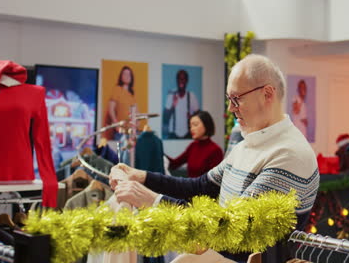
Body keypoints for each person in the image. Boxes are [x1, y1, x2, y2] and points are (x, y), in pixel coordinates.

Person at [109, 54, 319, 262]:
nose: (230, 109)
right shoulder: (247, 144)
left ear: (267, 94)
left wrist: (151, 200)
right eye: (229, 100)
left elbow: (228, 229)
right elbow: (200, 187)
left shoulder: (289, 155)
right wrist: (142, 177)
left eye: (236, 99)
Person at [167, 110, 223, 178]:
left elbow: (213, 181)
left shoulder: (216, 151)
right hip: (190, 187)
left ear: (206, 125)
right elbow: (174, 164)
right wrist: (158, 150)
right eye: (190, 126)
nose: (192, 129)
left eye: (195, 125)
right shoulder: (193, 146)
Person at [163, 69, 200, 139]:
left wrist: (191, 117)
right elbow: (165, 118)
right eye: (179, 79)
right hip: (173, 134)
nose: (181, 81)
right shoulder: (171, 95)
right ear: (177, 80)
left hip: (188, 134)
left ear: (187, 81)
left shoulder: (191, 96)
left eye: (183, 79)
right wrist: (173, 106)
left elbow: (199, 116)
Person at [104, 66, 136, 140]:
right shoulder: (117, 89)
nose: (127, 76)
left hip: (131, 132)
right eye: (125, 74)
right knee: (120, 151)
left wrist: (136, 125)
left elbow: (135, 112)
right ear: (121, 77)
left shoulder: (131, 95)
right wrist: (117, 126)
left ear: (131, 77)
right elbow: (111, 110)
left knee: (131, 151)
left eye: (129, 74)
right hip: (120, 131)